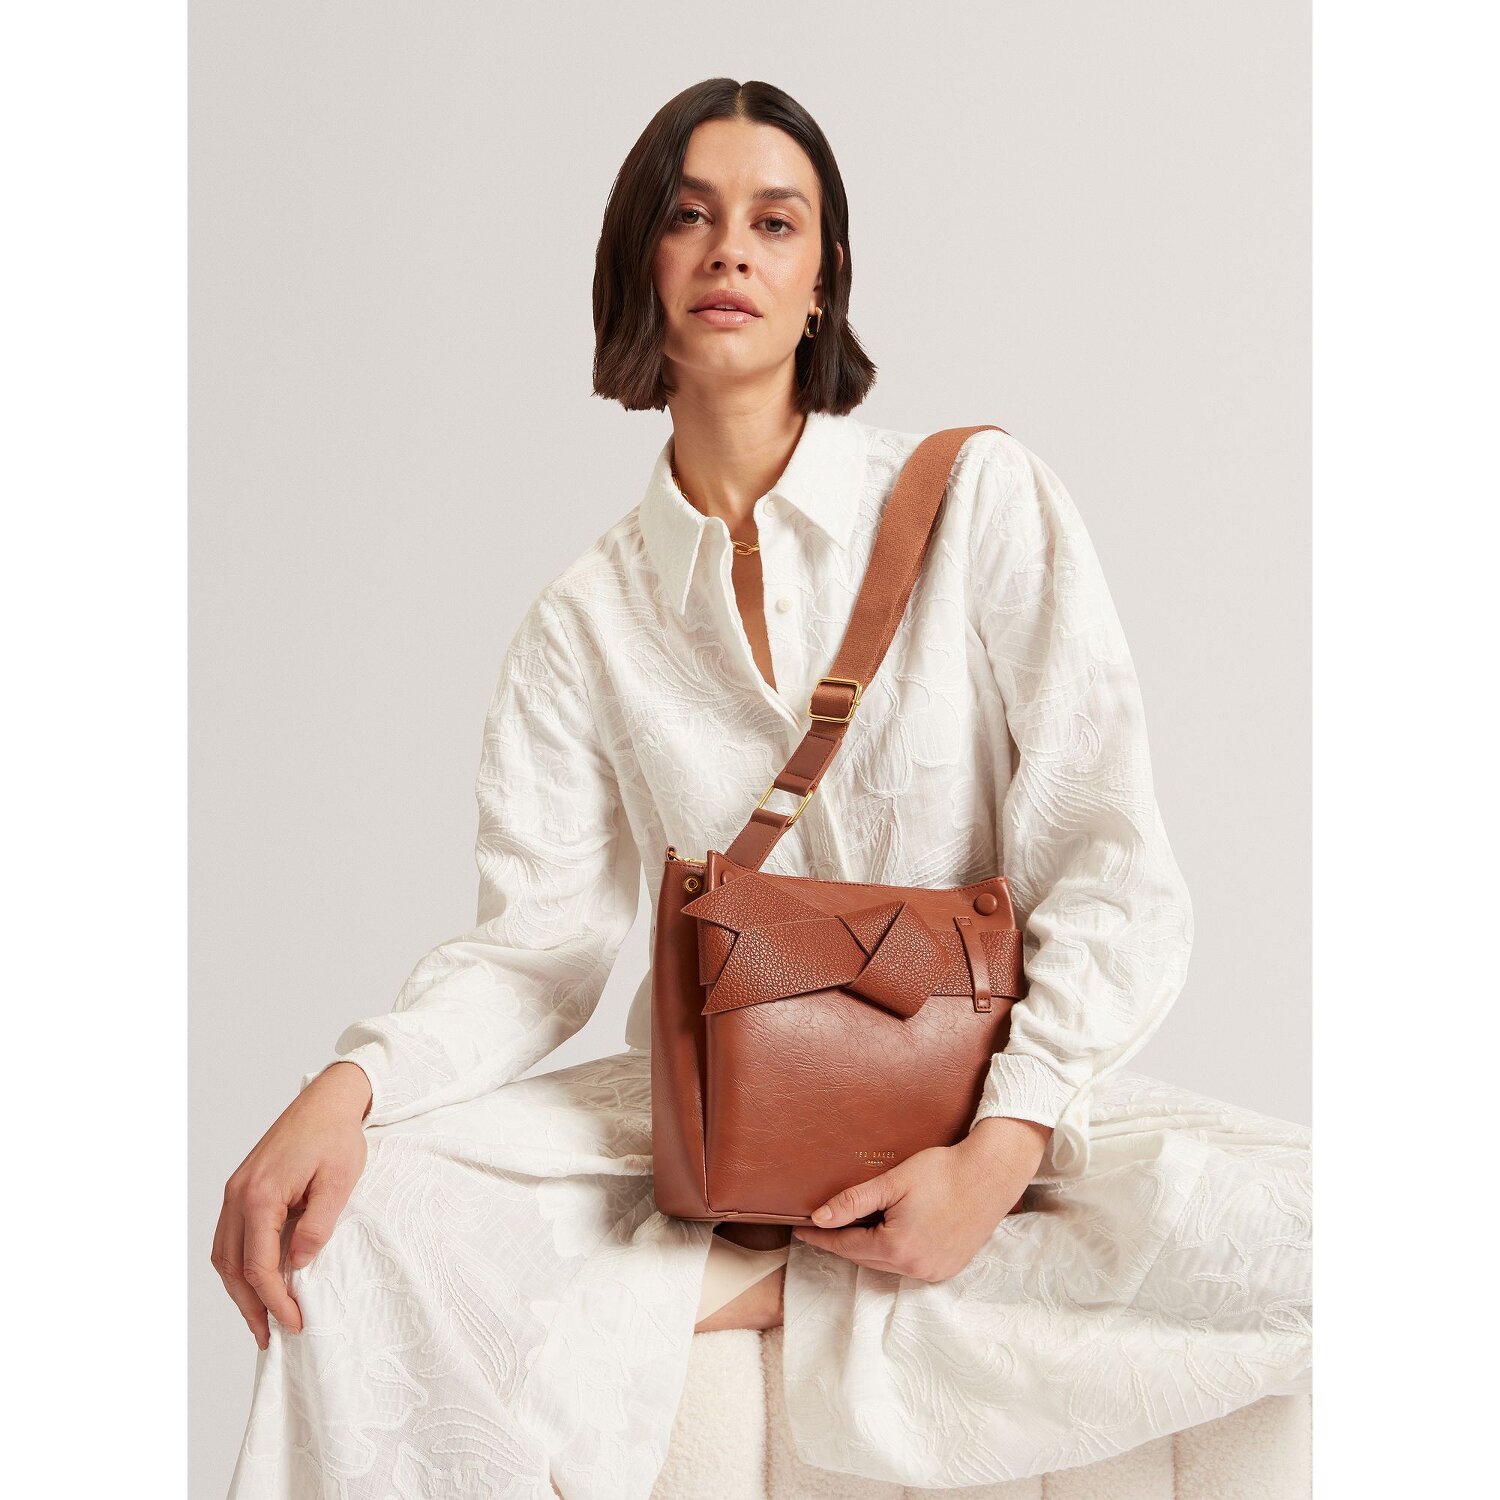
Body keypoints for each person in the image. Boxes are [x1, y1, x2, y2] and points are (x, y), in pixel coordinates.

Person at [215, 78, 1312, 1500]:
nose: (731, 248)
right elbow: (536, 952)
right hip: (716, 1128)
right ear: (640, 265)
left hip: (998, 1109)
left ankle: (782, 1282)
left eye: (774, 222)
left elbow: (1114, 869)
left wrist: (996, 1155)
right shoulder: (584, 622)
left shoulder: (980, 501)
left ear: (822, 280)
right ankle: (813, 1273)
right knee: (367, 1221)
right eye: (690, 216)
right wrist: (345, 1087)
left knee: (1333, 1236)